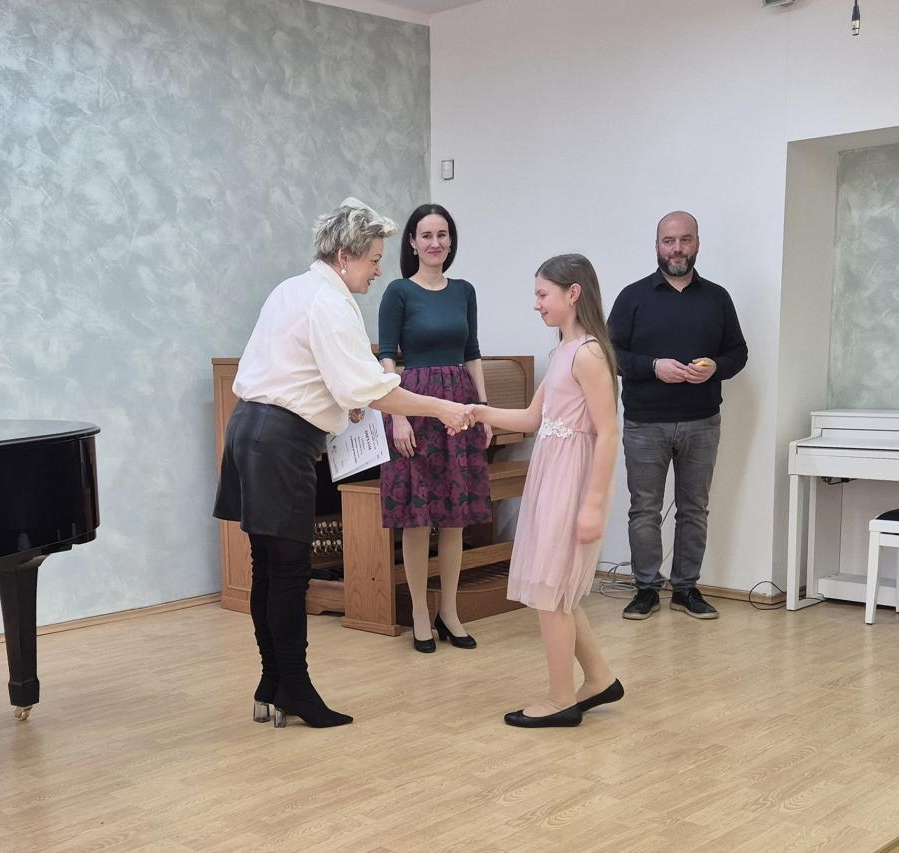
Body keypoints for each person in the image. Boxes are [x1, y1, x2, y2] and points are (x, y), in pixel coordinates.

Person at [214, 198, 473, 728]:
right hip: (279, 441)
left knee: (270, 569)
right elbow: (369, 388)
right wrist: (441, 407)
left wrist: (349, 399)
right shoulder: (330, 303)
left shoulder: (292, 288)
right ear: (344, 256)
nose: (378, 271)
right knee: (289, 575)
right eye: (374, 260)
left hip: (249, 430)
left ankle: (272, 683)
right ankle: (295, 689)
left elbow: (314, 373)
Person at [473, 254, 623, 728]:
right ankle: (598, 679)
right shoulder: (562, 352)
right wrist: (477, 412)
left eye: (543, 294)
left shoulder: (589, 354)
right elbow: (531, 419)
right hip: (551, 474)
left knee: (550, 592)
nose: (536, 304)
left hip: (572, 480)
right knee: (556, 588)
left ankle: (561, 700)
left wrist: (592, 505)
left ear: (572, 293)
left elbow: (608, 433)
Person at [607, 211, 748, 621]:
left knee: (694, 509)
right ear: (657, 246)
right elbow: (610, 354)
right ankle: (646, 589)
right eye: (669, 241)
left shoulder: (717, 298)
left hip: (702, 422)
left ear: (697, 244)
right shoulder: (633, 297)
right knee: (644, 510)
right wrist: (654, 367)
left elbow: (738, 352)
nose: (677, 249)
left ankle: (686, 589)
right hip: (644, 423)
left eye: (685, 240)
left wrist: (716, 367)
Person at [377, 204, 492, 653]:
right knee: (417, 517)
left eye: (442, 234)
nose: (435, 242)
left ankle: (449, 611)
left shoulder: (464, 291)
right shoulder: (398, 292)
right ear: (412, 242)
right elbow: (387, 356)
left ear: (450, 240)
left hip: (459, 403)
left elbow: (472, 351)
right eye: (426, 235)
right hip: (415, 403)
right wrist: (397, 415)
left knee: (454, 517)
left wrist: (482, 410)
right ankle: (420, 615)